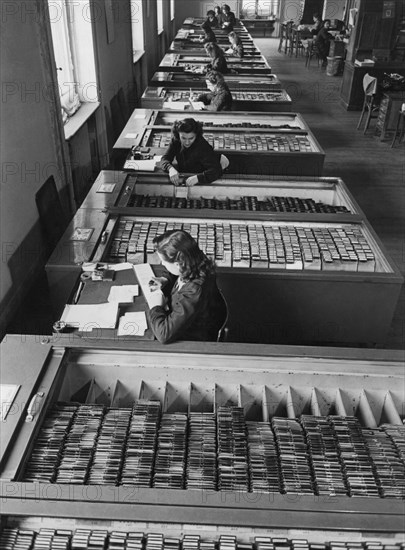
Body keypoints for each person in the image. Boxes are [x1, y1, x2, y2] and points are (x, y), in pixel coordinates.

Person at [148, 230, 227, 344]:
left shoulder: (193, 291)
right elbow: (175, 272)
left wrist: (156, 306)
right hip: (188, 318)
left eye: (163, 261)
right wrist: (165, 279)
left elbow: (164, 335)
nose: (162, 264)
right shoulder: (195, 260)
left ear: (178, 264)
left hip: (191, 340)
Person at [160, 118, 223, 186]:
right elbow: (165, 159)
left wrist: (198, 178)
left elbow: (216, 170)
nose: (187, 142)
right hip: (182, 178)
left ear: (196, 135)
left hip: (201, 183)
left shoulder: (203, 145)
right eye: (183, 138)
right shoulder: (175, 141)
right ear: (178, 134)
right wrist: (170, 169)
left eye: (191, 138)